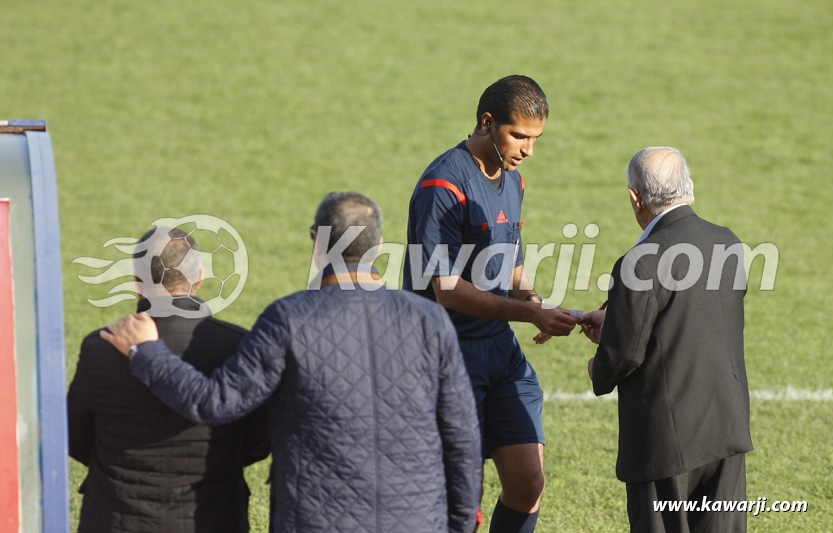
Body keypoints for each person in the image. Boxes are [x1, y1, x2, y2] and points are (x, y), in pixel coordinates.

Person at [100, 192, 483, 533]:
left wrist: (147, 351)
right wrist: (462, 523)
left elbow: (216, 401)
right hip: (419, 520)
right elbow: (462, 436)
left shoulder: (288, 318)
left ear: (318, 245)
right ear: (379, 246)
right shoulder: (430, 321)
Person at [403, 74, 579, 532]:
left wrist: (534, 298)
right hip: (447, 355)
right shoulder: (443, 185)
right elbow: (447, 289)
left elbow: (511, 257)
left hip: (498, 350)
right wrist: (528, 312)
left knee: (528, 483)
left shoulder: (513, 181)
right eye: (519, 135)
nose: (528, 150)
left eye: (535, 139)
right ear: (487, 123)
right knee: (463, 500)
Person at [580, 147, 753, 532]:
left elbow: (625, 353)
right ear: (688, 187)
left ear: (634, 197)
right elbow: (695, 316)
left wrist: (599, 366)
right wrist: (617, 318)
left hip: (665, 445)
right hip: (727, 429)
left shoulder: (639, 261)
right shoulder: (728, 243)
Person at [67, 227, 269, 533]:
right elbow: (259, 439)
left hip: (116, 519)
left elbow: (75, 436)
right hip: (212, 517)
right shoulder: (237, 345)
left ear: (136, 283)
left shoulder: (99, 348)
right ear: (199, 278)